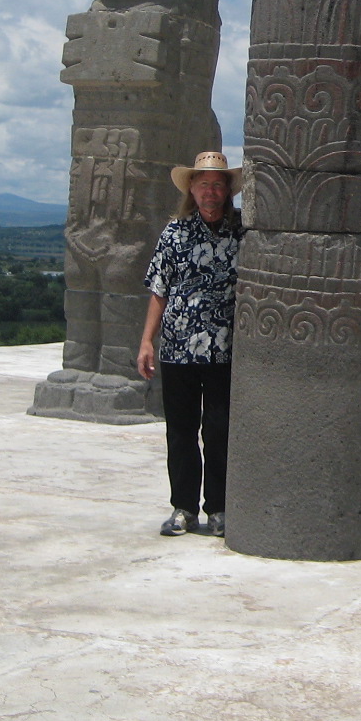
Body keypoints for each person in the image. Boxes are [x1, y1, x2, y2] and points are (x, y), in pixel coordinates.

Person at [137, 150, 244, 537]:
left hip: (224, 349)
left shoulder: (242, 233)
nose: (210, 191)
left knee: (218, 431)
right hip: (178, 348)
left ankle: (219, 507)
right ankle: (183, 507)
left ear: (227, 190)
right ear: (192, 190)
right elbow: (159, 290)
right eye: (203, 184)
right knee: (181, 431)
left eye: (217, 184)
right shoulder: (174, 233)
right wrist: (147, 341)